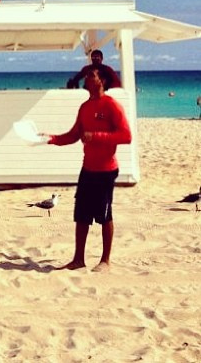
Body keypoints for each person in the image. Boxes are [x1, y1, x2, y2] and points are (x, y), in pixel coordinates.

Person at [46, 66, 132, 272]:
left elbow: (126, 136)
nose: (86, 77)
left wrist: (97, 136)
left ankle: (105, 260)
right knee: (81, 214)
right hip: (88, 168)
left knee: (104, 215)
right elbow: (73, 135)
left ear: (101, 80)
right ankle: (78, 259)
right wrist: (50, 139)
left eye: (91, 75)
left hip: (107, 169)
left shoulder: (112, 106)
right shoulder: (85, 107)